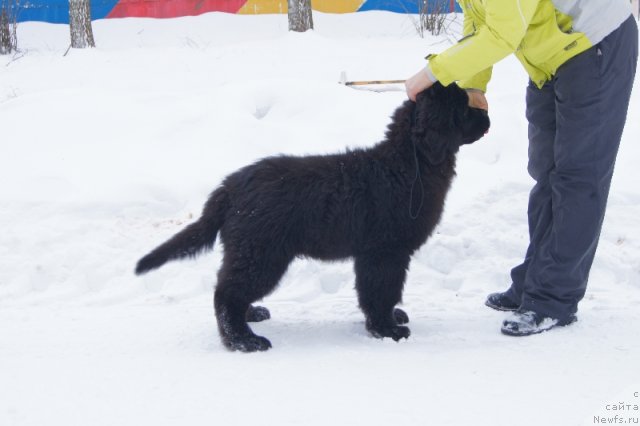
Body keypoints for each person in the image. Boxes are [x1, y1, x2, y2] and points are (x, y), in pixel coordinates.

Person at [405, 0, 638, 336]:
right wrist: (473, 86)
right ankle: (535, 280)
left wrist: (432, 73)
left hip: (595, 44)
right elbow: (477, 20)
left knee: (577, 177)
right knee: (545, 171)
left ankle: (553, 299)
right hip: (549, 56)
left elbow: (501, 35)